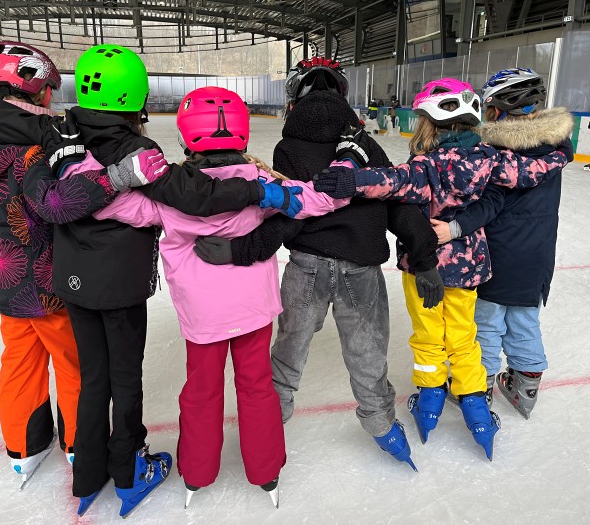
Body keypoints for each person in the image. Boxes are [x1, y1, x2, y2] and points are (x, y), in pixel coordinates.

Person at [20, 44, 304, 518]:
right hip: (129, 286)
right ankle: (138, 471)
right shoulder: (137, 150)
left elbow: (67, 198)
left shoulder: (61, 137)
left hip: (76, 281)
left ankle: (95, 475)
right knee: (137, 381)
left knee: (97, 379)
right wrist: (261, 190)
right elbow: (192, 196)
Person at [66, 86, 353, 508]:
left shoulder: (169, 194)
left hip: (203, 317)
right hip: (253, 310)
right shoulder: (263, 183)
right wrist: (349, 164)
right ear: (242, 134)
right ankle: (266, 470)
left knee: (202, 391)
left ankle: (198, 472)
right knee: (257, 387)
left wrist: (84, 163)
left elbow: (106, 205)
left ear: (186, 136)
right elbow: (321, 198)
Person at [194, 58, 442, 472]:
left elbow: (291, 213)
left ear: (294, 100)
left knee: (287, 354)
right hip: (361, 270)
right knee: (367, 355)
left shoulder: (289, 148)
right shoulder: (363, 144)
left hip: (307, 266)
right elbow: (396, 202)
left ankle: (266, 431)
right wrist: (425, 257)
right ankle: (384, 428)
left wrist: (241, 250)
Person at [313, 78, 573, 460]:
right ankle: (478, 413)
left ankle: (430, 400)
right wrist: (561, 152)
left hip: (424, 268)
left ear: (427, 123)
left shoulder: (425, 165)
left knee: (428, 337)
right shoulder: (489, 158)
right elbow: (526, 173)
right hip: (468, 267)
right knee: (465, 338)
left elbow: (392, 181)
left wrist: (352, 180)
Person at [0, 41, 93, 487]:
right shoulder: (35, 148)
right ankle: (79, 443)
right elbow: (55, 206)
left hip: (4, 274)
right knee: (72, 361)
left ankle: (23, 448)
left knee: (19, 360)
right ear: (37, 91)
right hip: (48, 277)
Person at [430, 69, 573, 418]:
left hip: (498, 251)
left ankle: (479, 385)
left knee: (488, 321)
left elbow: (488, 205)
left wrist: (455, 227)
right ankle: (526, 385)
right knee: (525, 318)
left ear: (495, 110)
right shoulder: (556, 146)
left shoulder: (494, 152)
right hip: (538, 255)